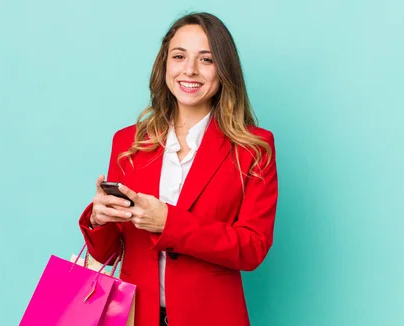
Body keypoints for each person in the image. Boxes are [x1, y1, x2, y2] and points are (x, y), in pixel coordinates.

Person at [78, 12, 278, 326]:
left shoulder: (254, 147)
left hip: (213, 316)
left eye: (206, 59)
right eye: (179, 56)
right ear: (165, 64)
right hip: (134, 316)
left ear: (224, 69)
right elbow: (108, 253)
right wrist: (99, 219)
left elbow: (252, 248)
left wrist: (169, 223)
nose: (190, 70)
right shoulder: (128, 141)